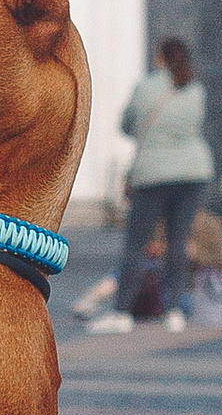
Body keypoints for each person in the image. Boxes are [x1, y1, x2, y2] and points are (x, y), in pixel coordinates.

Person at [76, 38, 212, 333]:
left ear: (160, 58)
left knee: (136, 246)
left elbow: (127, 125)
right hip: (193, 172)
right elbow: (195, 125)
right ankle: (175, 311)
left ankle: (122, 312)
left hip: (152, 175)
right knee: (178, 243)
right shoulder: (196, 90)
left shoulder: (146, 88)